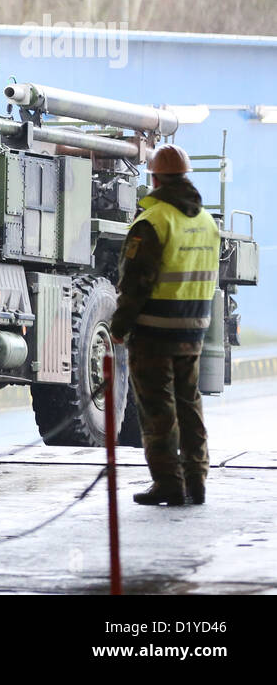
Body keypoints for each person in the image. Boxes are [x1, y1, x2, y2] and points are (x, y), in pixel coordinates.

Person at [111, 143, 219, 507]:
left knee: (158, 409)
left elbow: (136, 283)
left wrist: (120, 326)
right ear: (186, 176)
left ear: (154, 178)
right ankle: (196, 480)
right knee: (189, 404)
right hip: (192, 330)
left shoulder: (154, 222)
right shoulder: (206, 221)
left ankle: (169, 484)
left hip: (155, 332)